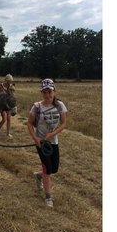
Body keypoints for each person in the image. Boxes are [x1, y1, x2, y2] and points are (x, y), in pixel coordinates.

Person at [27, 78, 67, 208]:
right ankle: (48, 196)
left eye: (50, 92)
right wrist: (36, 139)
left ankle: (38, 175)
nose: (47, 95)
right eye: (44, 92)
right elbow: (29, 123)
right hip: (42, 143)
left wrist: (52, 134)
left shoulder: (60, 105)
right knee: (47, 169)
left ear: (54, 92)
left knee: (53, 168)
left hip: (53, 141)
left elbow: (63, 123)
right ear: (41, 93)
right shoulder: (37, 107)